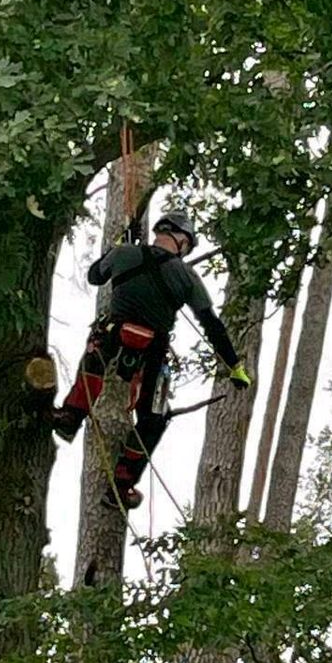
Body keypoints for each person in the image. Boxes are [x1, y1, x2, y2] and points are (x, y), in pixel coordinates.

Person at [50, 211, 251, 510]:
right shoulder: (187, 277)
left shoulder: (124, 253)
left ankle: (70, 416)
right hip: (152, 352)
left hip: (112, 336)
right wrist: (235, 367)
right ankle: (121, 483)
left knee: (96, 357)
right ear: (182, 240)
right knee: (153, 419)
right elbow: (211, 324)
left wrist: (117, 248)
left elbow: (95, 276)